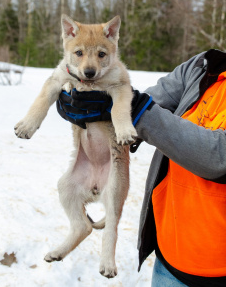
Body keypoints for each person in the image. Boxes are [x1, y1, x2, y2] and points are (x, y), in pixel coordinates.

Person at [56, 48, 226, 286]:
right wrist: (94, 107)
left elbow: (219, 156)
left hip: (218, 271)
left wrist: (134, 110)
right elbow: (155, 98)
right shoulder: (204, 66)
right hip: (169, 260)